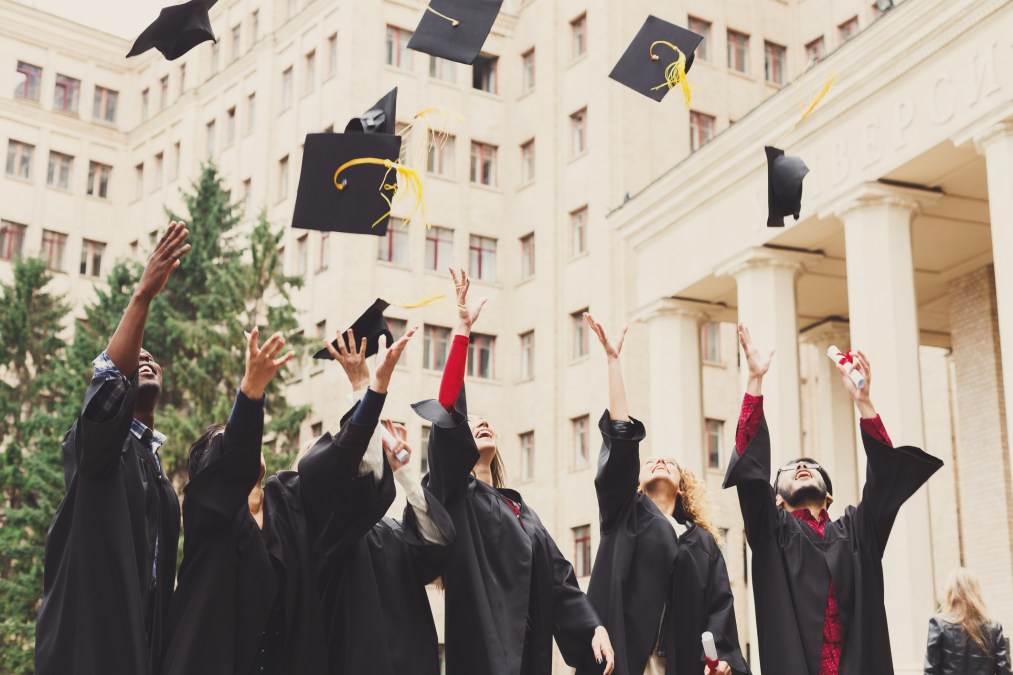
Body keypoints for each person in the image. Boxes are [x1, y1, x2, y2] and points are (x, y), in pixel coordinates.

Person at [160, 325, 414, 675]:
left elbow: (339, 463)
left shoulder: (289, 500)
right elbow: (235, 449)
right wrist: (250, 392)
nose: (245, 445)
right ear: (211, 470)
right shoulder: (208, 515)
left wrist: (370, 390)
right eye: (228, 441)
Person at [412, 269, 616, 675]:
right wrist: (462, 334)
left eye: (488, 422)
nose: (482, 424)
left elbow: (561, 581)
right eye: (474, 424)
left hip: (529, 655)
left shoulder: (525, 515)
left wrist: (593, 627)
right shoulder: (454, 495)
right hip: (483, 649)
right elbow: (449, 416)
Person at [724, 323, 944, 675]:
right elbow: (750, 476)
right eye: (792, 468)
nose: (801, 466)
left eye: (811, 466)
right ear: (777, 500)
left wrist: (863, 401)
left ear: (829, 495)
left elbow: (885, 481)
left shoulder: (858, 533)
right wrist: (754, 380)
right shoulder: (771, 534)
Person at [35, 221, 191, 675]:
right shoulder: (100, 450)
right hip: (90, 647)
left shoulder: (157, 473)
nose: (144, 358)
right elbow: (106, 390)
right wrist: (142, 296)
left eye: (151, 358)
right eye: (135, 357)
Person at [578, 314, 748, 675]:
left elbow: (719, 609)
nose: (658, 461)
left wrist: (722, 662)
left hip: (678, 664)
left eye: (669, 462)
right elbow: (621, 443)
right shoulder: (623, 515)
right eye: (651, 461)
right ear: (636, 484)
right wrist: (613, 362)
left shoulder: (702, 543)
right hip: (621, 661)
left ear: (683, 485)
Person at [316, 332, 455, 675]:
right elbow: (365, 475)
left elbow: (438, 542)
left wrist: (406, 472)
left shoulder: (393, 533)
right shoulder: (321, 531)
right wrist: (363, 386)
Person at [924, 567, 1011, 675]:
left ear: (950, 592)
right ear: (976, 592)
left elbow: (931, 672)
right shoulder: (994, 628)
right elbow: (1004, 672)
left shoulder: (938, 624)